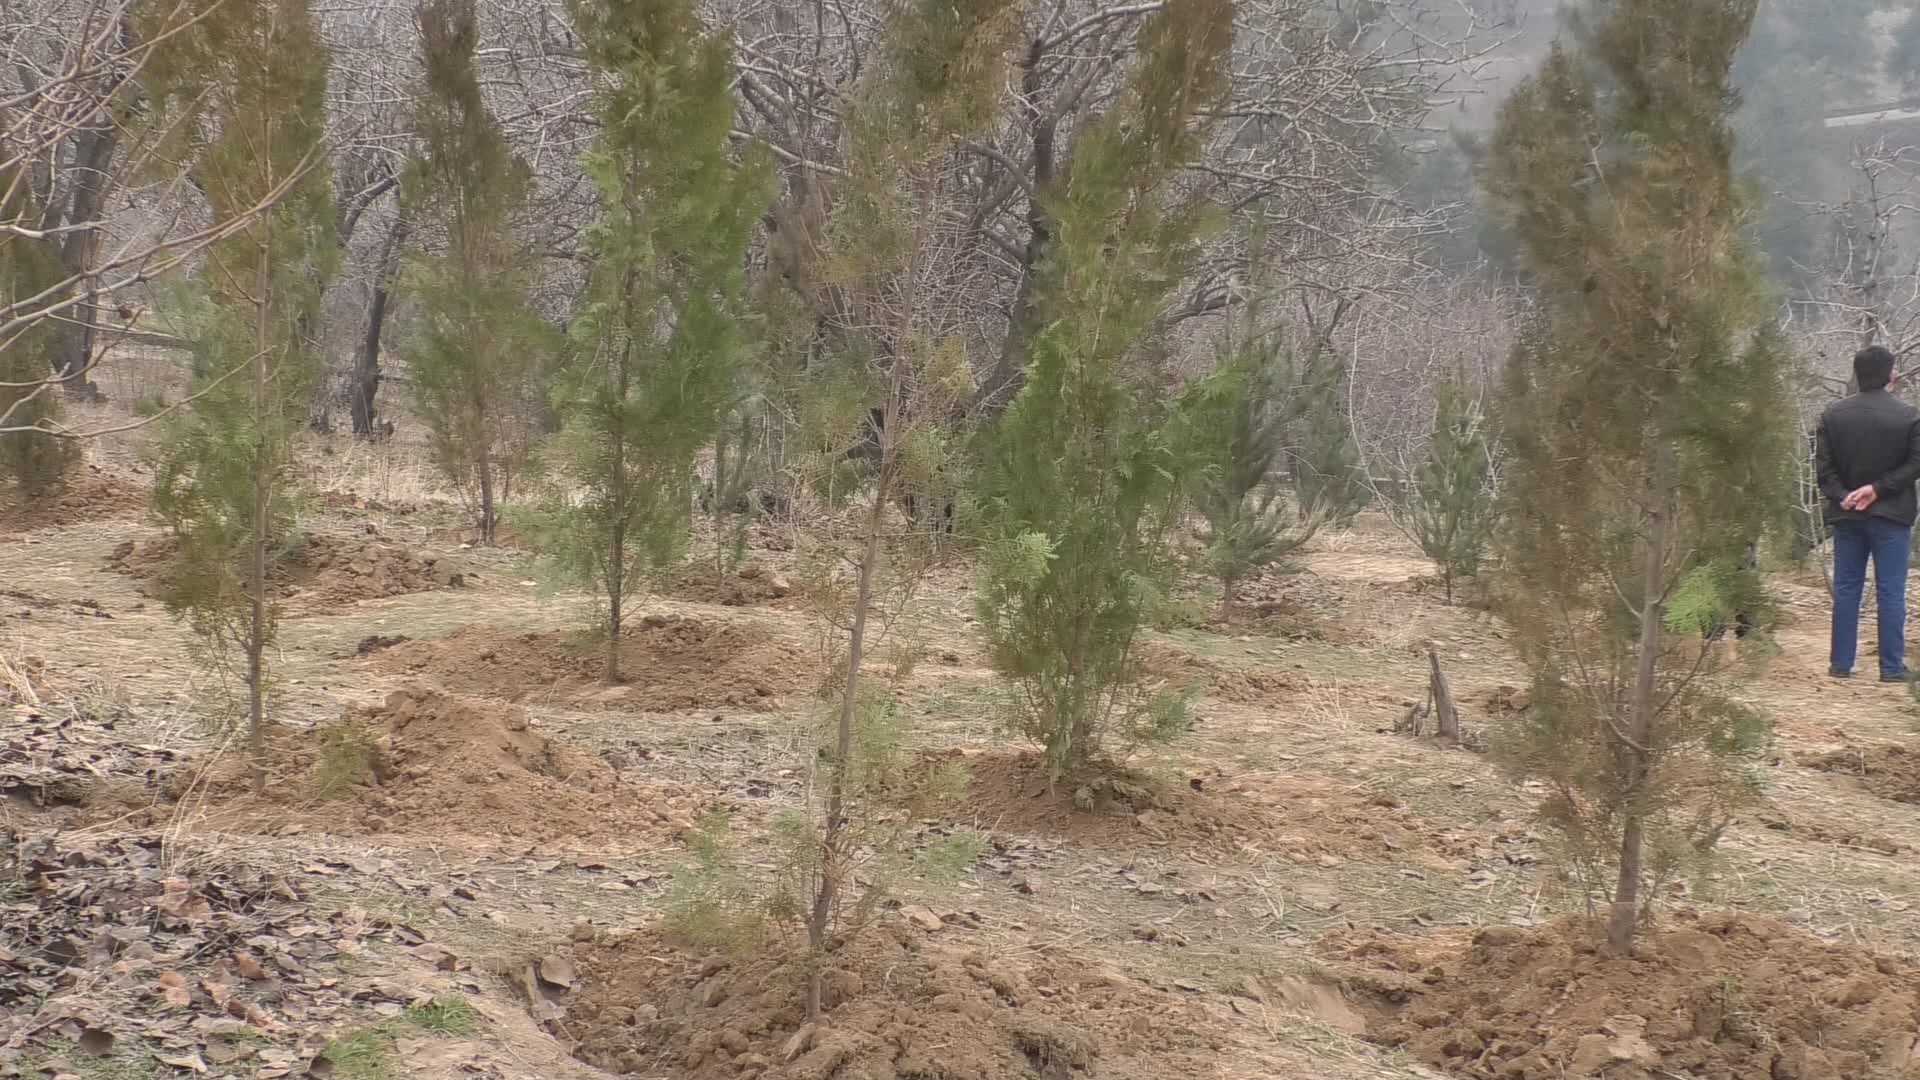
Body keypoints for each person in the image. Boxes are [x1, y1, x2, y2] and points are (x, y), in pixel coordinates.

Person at [1816, 345, 1920, 682]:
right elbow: (1916, 464)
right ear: (1891, 375)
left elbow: (1824, 472)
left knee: (1847, 588)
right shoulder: (1909, 416)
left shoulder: (1832, 416)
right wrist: (1878, 489)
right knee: (1891, 590)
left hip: (1848, 515)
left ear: (1857, 374)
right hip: (1891, 514)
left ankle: (1840, 664)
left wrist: (1845, 496)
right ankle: (1891, 668)